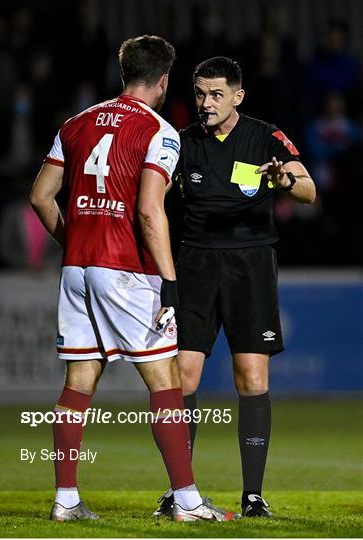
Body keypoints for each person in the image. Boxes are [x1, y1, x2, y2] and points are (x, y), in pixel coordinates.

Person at [30, 36, 240, 523]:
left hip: (78, 269)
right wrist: (169, 281)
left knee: (78, 382)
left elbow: (42, 197)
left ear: (124, 72)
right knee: (165, 379)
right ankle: (187, 503)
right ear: (164, 80)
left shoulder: (76, 123)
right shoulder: (160, 131)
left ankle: (65, 500)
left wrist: (78, 244)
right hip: (125, 270)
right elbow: (150, 210)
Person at [155, 56, 316, 518]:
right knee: (182, 377)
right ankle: (181, 492)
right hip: (195, 267)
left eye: (217, 94)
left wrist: (283, 178)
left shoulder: (265, 136)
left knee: (251, 378)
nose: (206, 103)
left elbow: (307, 189)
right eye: (201, 94)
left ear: (237, 96)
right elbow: (152, 196)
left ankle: (253, 496)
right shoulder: (181, 142)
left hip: (251, 266)